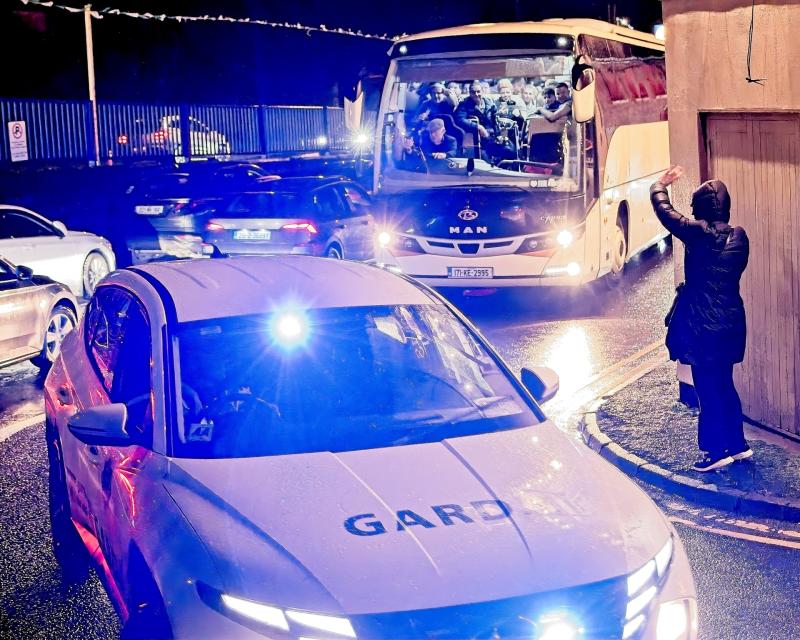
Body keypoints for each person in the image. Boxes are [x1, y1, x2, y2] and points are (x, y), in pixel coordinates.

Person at [651, 165, 751, 472]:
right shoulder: (739, 236)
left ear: (702, 209)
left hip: (703, 327)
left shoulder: (697, 234)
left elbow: (665, 211)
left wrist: (660, 184)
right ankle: (738, 446)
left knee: (707, 390)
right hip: (730, 323)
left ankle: (715, 452)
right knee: (725, 385)